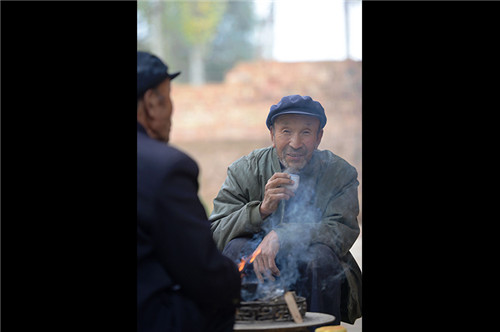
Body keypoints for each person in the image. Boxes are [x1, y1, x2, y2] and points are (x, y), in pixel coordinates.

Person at [209, 95, 362, 326]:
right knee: (236, 249)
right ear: (272, 134)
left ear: (319, 137)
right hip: (258, 271)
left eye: (306, 132)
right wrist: (260, 210)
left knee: (321, 258)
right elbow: (215, 231)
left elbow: (342, 229)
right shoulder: (245, 169)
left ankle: (322, 330)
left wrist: (283, 235)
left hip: (314, 272)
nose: (296, 143)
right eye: (286, 131)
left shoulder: (340, 174)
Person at [137, 51, 241, 332]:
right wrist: (235, 281)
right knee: (218, 300)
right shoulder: (165, 167)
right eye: (168, 98)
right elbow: (203, 270)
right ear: (151, 104)